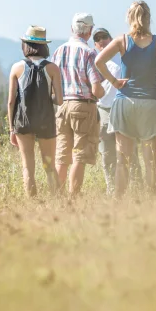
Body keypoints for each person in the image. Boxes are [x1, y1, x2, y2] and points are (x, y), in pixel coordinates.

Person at [95, 1, 156, 196]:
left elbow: (98, 61)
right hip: (151, 102)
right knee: (151, 161)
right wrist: (151, 75)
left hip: (125, 102)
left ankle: (118, 202)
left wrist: (114, 81)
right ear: (148, 18)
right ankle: (152, 202)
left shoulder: (122, 40)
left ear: (129, 17)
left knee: (122, 160)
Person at [51, 13, 105, 196]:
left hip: (62, 106)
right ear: (89, 31)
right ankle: (73, 199)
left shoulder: (58, 51)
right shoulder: (89, 53)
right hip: (82, 106)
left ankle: (57, 197)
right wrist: (103, 92)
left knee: (62, 156)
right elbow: (97, 88)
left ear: (72, 29)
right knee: (79, 156)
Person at [7, 26, 63, 197]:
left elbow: (11, 101)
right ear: (44, 46)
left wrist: (11, 128)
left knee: (27, 166)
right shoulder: (53, 68)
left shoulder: (16, 68)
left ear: (26, 45)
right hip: (46, 120)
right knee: (49, 165)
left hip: (22, 121)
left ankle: (31, 203)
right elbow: (59, 100)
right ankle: (57, 201)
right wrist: (48, 97)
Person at [93, 28, 121, 194]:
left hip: (122, 107)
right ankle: (112, 189)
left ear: (111, 39)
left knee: (127, 150)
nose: (101, 41)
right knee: (107, 152)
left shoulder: (121, 58)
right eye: (98, 40)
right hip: (103, 109)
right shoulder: (94, 62)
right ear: (95, 45)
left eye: (104, 37)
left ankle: (137, 186)